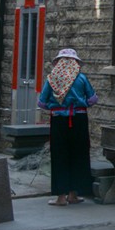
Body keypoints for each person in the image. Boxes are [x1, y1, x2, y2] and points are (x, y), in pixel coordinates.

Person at [37, 48, 98, 206]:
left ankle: (61, 197)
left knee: (59, 156)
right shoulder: (81, 78)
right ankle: (74, 194)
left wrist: (58, 105)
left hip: (58, 121)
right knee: (78, 154)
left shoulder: (51, 79)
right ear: (75, 63)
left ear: (58, 63)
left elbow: (41, 102)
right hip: (79, 119)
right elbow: (92, 99)